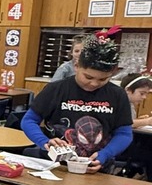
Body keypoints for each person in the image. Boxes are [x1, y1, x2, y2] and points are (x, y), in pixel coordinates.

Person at [21, 34, 132, 172]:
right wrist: (44, 141)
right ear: (76, 66)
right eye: (88, 77)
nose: (94, 83)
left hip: (96, 167)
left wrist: (105, 154)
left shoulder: (117, 95)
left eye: (103, 79)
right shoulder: (56, 89)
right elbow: (29, 120)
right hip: (53, 165)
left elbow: (124, 134)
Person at [116, 73, 152, 178]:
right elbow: (124, 123)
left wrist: (140, 120)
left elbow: (130, 121)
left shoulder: (130, 104)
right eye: (141, 93)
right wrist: (147, 121)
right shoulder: (120, 103)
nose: (144, 97)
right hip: (121, 144)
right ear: (128, 90)